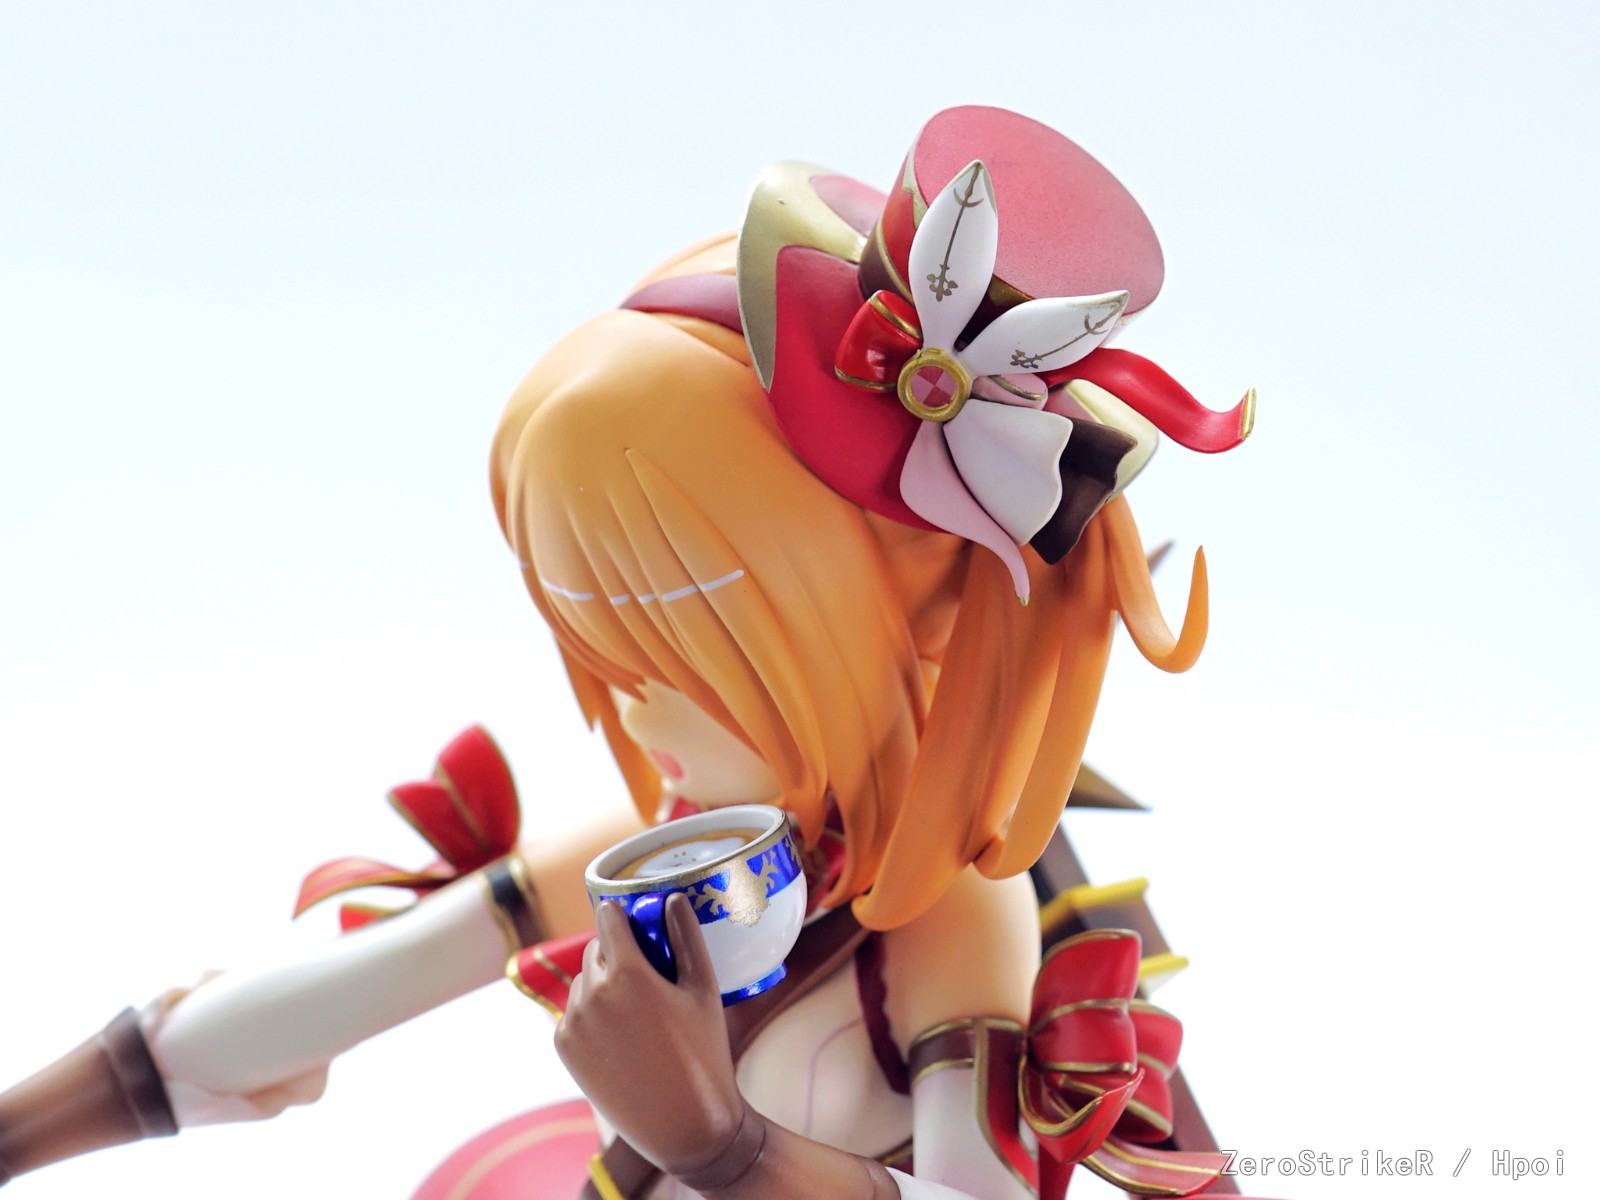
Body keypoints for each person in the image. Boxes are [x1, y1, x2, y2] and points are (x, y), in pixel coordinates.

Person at [0, 106, 1253, 1199]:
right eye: (602, 650)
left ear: (900, 625)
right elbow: (360, 988)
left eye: (695, 661)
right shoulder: (668, 839)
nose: (643, 715)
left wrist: (725, 1149)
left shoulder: (952, 918)